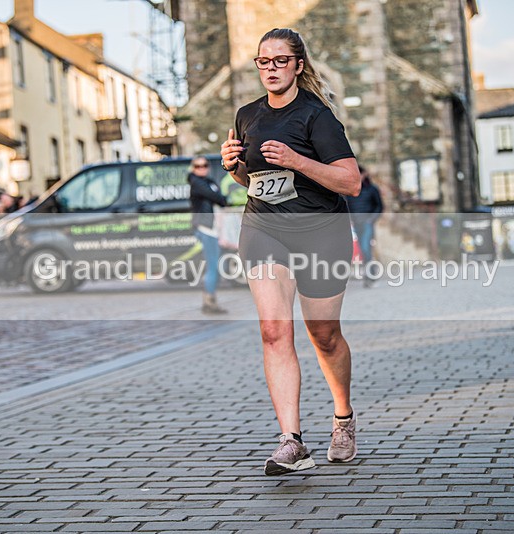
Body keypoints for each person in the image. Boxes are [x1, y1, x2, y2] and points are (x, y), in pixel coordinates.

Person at [221, 28, 361, 475]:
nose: (271, 69)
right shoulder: (247, 115)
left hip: (321, 232)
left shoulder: (318, 117)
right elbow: (254, 180)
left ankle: (343, 418)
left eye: (281, 61)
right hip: (264, 228)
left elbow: (350, 182)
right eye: (264, 62)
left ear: (298, 66)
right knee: (274, 331)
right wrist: (235, 167)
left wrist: (297, 160)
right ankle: (292, 442)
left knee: (323, 334)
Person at [188, 156, 228, 314]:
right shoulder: (197, 182)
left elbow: (221, 200)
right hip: (206, 228)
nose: (201, 168)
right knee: (213, 266)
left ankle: (210, 300)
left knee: (215, 265)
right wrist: (220, 198)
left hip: (212, 228)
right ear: (193, 168)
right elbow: (218, 198)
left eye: (204, 165)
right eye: (197, 166)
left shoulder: (208, 182)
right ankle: (209, 302)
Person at [346, 165, 383, 285]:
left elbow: (379, 206)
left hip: (367, 223)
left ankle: (369, 274)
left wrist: (371, 219)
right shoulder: (349, 191)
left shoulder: (372, 189)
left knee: (366, 248)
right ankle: (370, 272)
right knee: (362, 249)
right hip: (356, 223)